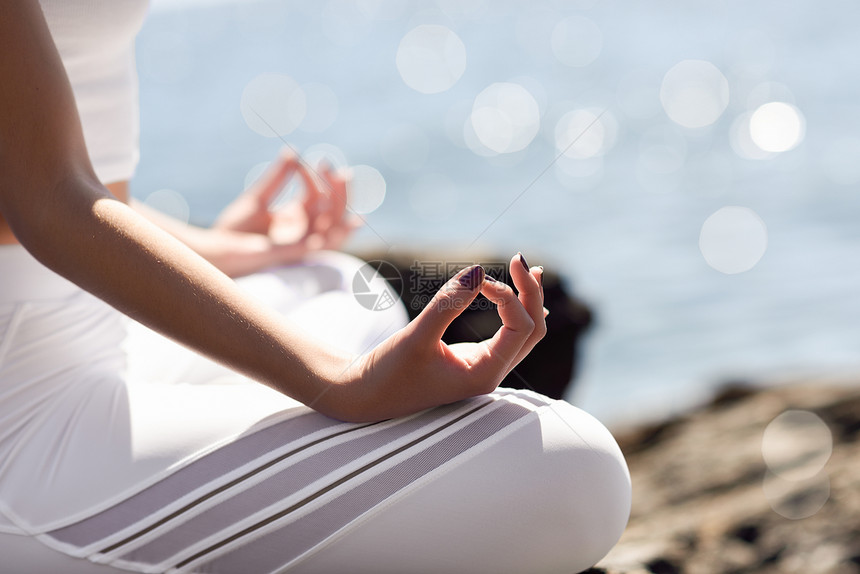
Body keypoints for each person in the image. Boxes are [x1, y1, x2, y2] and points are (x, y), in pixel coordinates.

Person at [0, 1, 631, 572]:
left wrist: (229, 250)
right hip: (21, 422)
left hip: (102, 335)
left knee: (328, 278)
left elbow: (78, 187)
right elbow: (49, 201)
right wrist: (340, 384)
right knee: (575, 473)